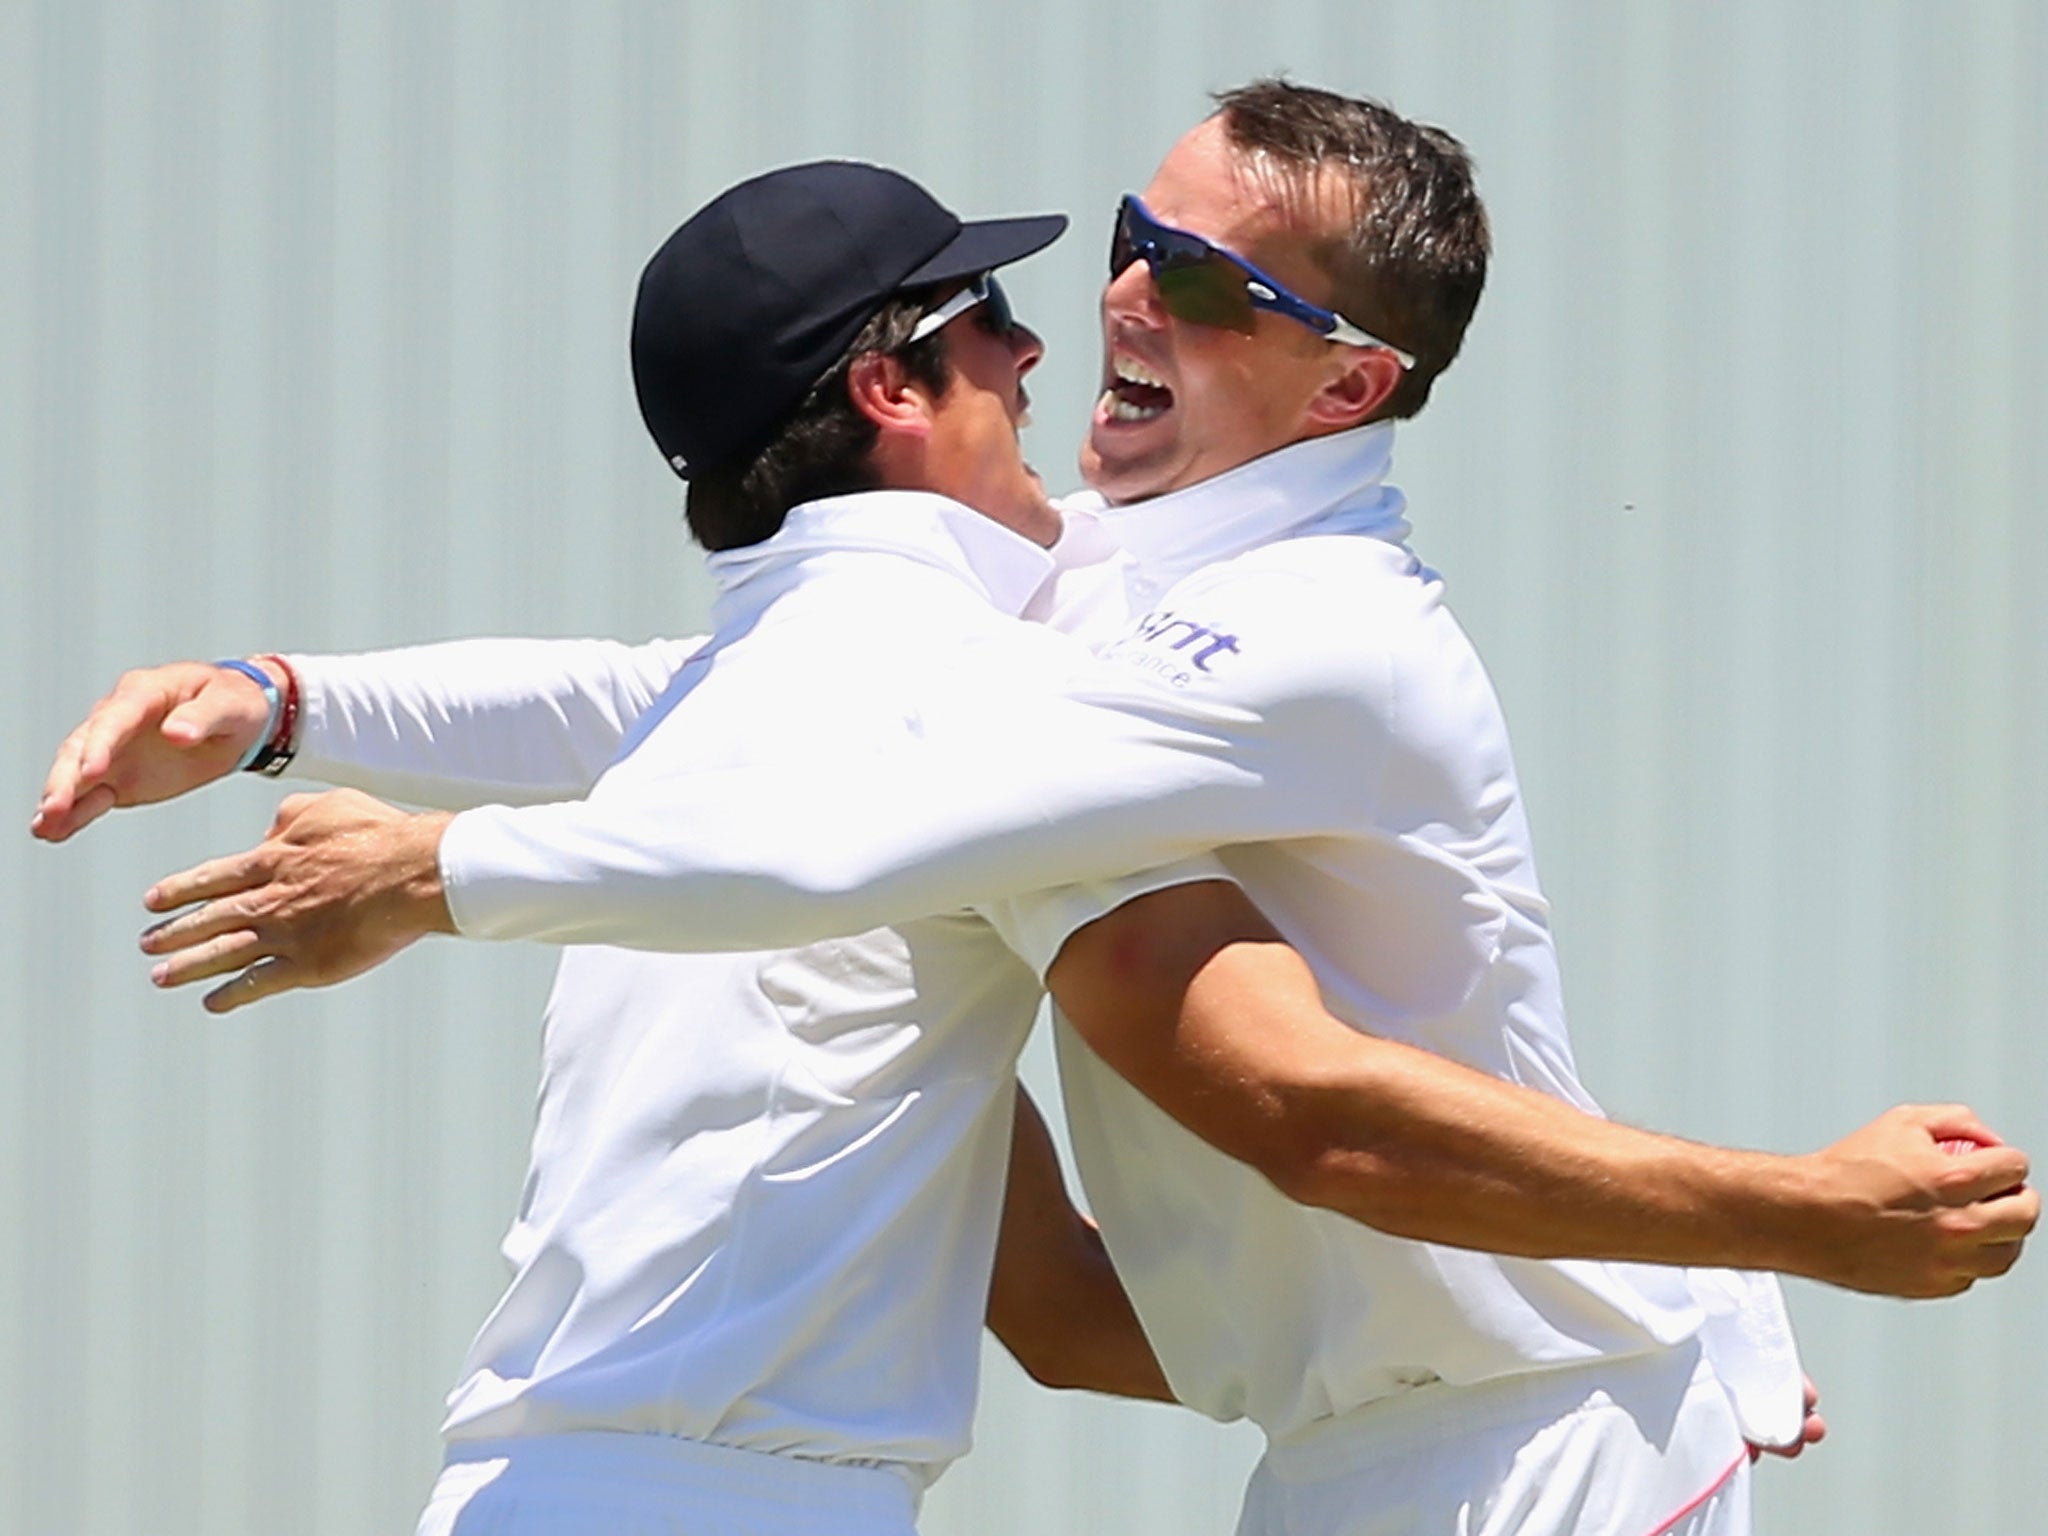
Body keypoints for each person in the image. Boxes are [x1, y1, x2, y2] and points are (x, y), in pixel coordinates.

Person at [38, 82, 2034, 1536]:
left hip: (1546, 1437)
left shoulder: (1307, 632)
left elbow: (870, 852)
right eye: (1126, 242)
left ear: (1346, 386)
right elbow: (689, 705)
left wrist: (431, 867)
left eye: (1199, 276)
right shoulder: (1061, 594)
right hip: (1349, 1455)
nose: (1112, 304)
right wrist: (298, 701)